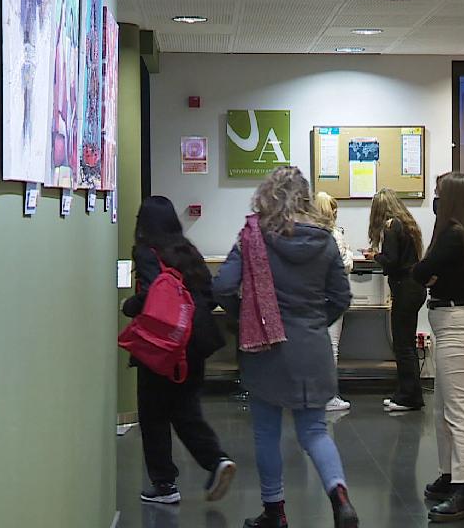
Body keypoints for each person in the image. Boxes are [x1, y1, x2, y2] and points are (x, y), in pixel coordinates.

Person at [213, 167, 358, 528]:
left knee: (266, 432)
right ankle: (340, 497)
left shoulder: (253, 236)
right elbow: (341, 296)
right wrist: (313, 325)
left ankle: (274, 512)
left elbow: (223, 286)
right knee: (314, 431)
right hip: (313, 350)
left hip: (265, 350)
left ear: (267, 196)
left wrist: (246, 316)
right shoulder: (325, 240)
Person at [121, 196, 237, 505]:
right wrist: (188, 314)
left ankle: (164, 485)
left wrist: (128, 306)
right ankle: (216, 460)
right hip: (196, 343)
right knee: (185, 409)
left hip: (163, 347)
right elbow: (211, 295)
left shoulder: (148, 252)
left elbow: (149, 297)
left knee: (153, 414)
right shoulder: (189, 250)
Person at [412, 172, 464, 523]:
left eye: (438, 193)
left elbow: (420, 271)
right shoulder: (457, 233)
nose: (434, 199)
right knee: (443, 408)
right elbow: (426, 272)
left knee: (459, 414)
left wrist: (428, 274)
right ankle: (450, 474)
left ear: (450, 198)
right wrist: (429, 274)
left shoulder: (453, 235)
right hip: (453, 323)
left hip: (457, 326)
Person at [365, 188, 427, 413]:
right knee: (407, 344)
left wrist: (374, 256)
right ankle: (410, 394)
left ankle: (407, 397)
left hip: (404, 289)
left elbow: (391, 262)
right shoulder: (406, 224)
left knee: (402, 345)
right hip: (415, 287)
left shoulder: (391, 227)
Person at [314, 191, 355, 412]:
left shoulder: (309, 234)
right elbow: (344, 264)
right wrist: (348, 253)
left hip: (314, 297)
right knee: (332, 347)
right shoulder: (333, 235)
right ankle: (329, 396)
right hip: (331, 297)